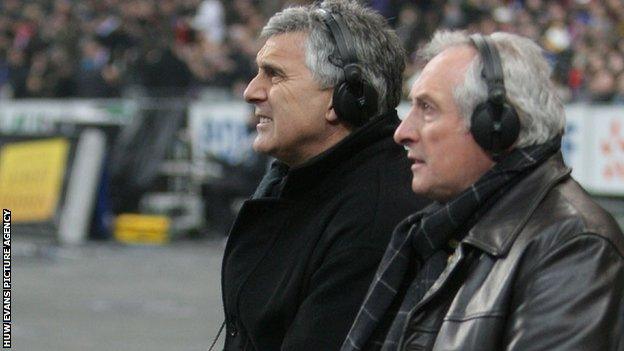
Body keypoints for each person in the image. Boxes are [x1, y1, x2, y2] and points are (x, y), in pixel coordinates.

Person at [342, 30, 624, 351]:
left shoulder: (575, 244)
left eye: (427, 108)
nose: (403, 132)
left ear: (494, 125)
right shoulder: (435, 232)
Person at [220, 1, 429, 350]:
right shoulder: (297, 180)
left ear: (345, 96)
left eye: (274, 74)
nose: (251, 91)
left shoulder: (374, 218)